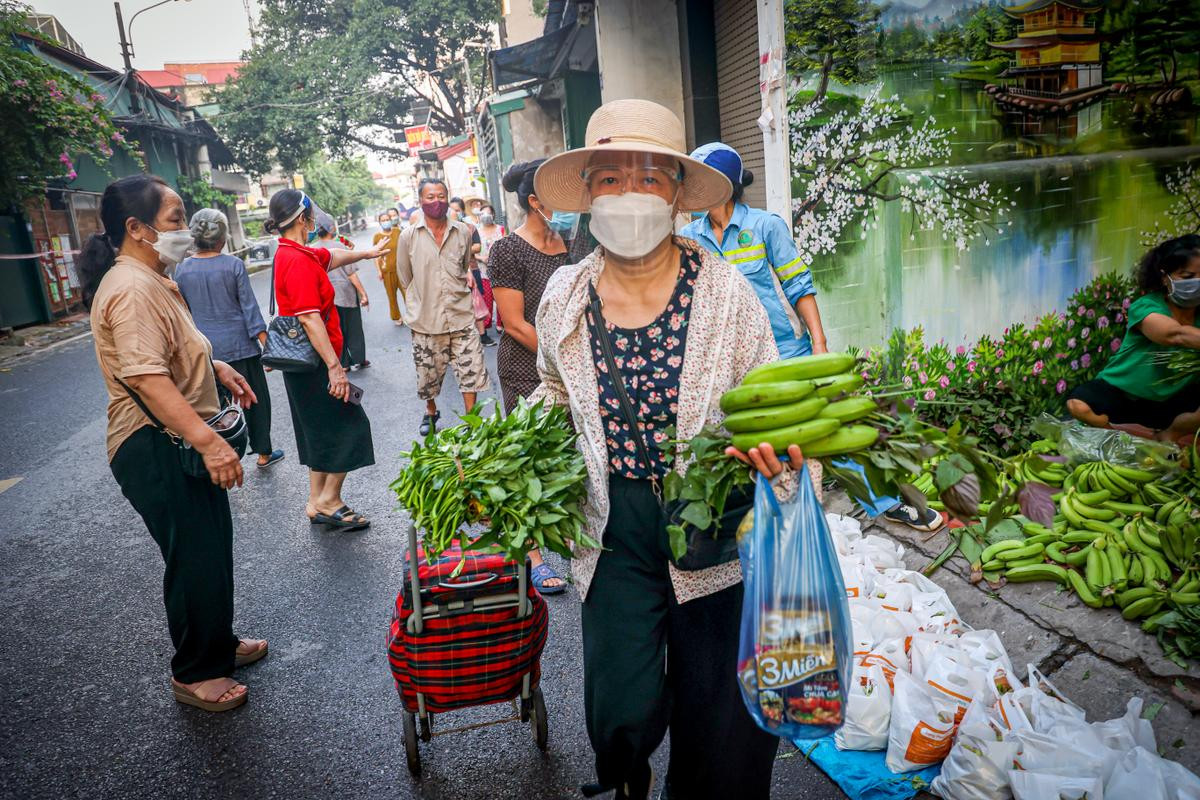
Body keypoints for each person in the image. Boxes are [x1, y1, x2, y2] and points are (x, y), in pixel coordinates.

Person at [530, 98, 803, 800]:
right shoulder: (564, 294)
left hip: (710, 513)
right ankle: (628, 771)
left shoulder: (726, 294)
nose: (628, 195)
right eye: (611, 178)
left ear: (679, 194)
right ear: (588, 193)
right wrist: (513, 449)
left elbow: (769, 395)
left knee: (719, 710)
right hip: (611, 520)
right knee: (620, 701)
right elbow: (556, 391)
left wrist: (778, 448)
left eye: (649, 177)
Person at [683, 143, 941, 533]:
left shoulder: (765, 227)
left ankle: (887, 503)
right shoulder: (689, 237)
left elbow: (798, 285)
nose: (693, 191)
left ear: (724, 185)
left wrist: (819, 346)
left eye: (701, 182)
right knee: (752, 445)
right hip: (730, 363)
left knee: (836, 431)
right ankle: (772, 524)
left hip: (786, 353)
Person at [80, 174, 267, 713]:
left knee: (210, 546)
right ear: (136, 229)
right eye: (175, 219)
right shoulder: (132, 288)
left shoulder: (155, 278)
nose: (185, 229)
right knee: (192, 555)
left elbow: (171, 355)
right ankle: (194, 672)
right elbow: (146, 378)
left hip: (172, 436)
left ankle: (216, 644)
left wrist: (217, 366)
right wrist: (209, 442)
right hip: (153, 445)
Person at [267, 189, 387, 530]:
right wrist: (336, 369)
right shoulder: (297, 261)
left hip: (304, 365)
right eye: (311, 216)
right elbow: (309, 318)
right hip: (317, 364)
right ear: (304, 219)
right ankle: (329, 500)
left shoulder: (292, 252)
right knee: (350, 427)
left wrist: (367, 252)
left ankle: (315, 500)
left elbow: (331, 256)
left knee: (318, 431)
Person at [489, 160, 575, 596]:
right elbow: (513, 323)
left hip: (574, 366)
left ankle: (577, 541)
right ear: (536, 202)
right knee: (528, 458)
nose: (567, 208)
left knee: (573, 454)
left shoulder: (572, 242)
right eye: (557, 199)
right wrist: (559, 357)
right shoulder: (506, 250)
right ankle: (534, 555)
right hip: (528, 365)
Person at [175, 209, 285, 469]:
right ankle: (263, 453)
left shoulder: (181, 269)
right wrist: (268, 347)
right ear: (222, 239)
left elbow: (184, 314)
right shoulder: (233, 265)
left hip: (206, 354)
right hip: (242, 350)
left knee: (213, 407)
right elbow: (250, 311)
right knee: (255, 401)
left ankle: (217, 458)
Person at [1068, 234, 1200, 443]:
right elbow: (1175, 335)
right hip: (1122, 395)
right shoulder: (1146, 306)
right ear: (1165, 277)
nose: (1196, 283)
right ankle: (1122, 440)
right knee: (1078, 404)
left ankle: (1169, 435)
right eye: (1187, 276)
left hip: (1171, 403)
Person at [396, 178, 492, 436]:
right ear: (420, 201)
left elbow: (463, 266)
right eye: (430, 197)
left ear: (447, 197)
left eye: (441, 196)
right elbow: (405, 277)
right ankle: (430, 411)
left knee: (470, 370)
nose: (436, 201)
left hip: (461, 316)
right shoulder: (408, 237)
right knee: (428, 377)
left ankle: (471, 420)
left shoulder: (461, 231)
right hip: (426, 320)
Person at [314, 211, 370, 370]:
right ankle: (359, 358)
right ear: (331, 228)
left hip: (326, 298)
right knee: (353, 328)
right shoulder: (339, 247)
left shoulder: (313, 250)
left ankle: (343, 363)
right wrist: (363, 293)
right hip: (346, 295)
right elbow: (351, 274)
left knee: (335, 330)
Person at [373, 211, 405, 326]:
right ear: (380, 222)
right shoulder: (377, 237)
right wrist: (379, 271)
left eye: (387, 219)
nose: (386, 222)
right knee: (391, 296)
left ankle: (413, 315)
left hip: (401, 270)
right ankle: (396, 316)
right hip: (387, 271)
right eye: (383, 220)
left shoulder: (397, 232)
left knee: (408, 294)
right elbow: (376, 256)